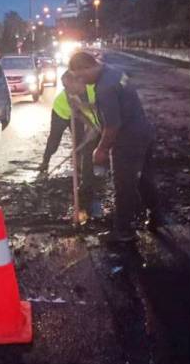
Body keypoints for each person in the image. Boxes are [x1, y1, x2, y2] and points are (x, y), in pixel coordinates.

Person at [66, 51, 163, 242]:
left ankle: (124, 231)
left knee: (124, 185)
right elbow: (119, 105)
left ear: (88, 67)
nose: (82, 81)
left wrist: (101, 149)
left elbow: (113, 126)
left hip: (128, 141)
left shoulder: (104, 88)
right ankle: (157, 217)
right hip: (145, 132)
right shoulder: (115, 72)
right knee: (145, 179)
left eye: (80, 75)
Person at [39, 73, 102, 216]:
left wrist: (94, 128)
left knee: (81, 143)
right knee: (54, 140)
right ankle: (45, 161)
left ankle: (84, 177)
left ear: (78, 80)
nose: (67, 90)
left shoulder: (92, 87)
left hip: (82, 116)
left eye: (69, 86)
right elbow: (80, 114)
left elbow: (96, 108)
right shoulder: (67, 96)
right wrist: (92, 126)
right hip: (61, 113)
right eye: (65, 87)